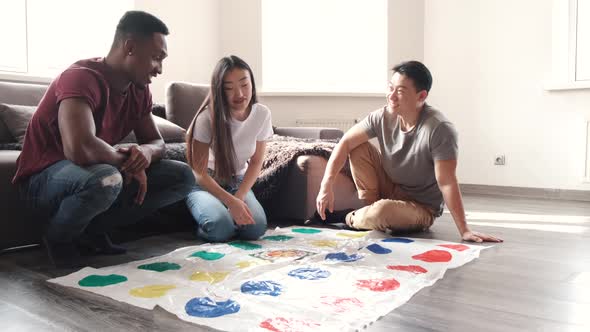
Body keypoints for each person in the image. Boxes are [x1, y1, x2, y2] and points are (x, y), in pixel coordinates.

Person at [13, 11, 196, 267]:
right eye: (156, 58)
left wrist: (143, 154)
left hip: (92, 171)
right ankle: (59, 239)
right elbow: (79, 148)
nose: (159, 69)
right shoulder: (80, 77)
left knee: (183, 177)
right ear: (130, 47)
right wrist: (128, 162)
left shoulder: (139, 90)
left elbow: (157, 143)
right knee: (107, 177)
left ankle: (92, 230)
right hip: (42, 180)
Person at [315, 61, 502, 243]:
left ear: (421, 96)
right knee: (357, 146)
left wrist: (465, 230)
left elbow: (447, 182)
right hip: (391, 186)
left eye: (400, 91)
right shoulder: (381, 116)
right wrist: (326, 185)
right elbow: (346, 142)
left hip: (421, 207)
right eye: (390, 88)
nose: (391, 96)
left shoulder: (439, 129)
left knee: (383, 211)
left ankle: (350, 217)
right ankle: (368, 212)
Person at [185, 55, 272, 242]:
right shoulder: (206, 119)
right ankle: (212, 220)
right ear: (219, 91)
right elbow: (199, 173)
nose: (239, 94)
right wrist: (230, 202)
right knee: (220, 229)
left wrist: (238, 198)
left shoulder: (262, 114)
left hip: (237, 182)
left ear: (252, 84)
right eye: (229, 89)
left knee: (255, 229)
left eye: (244, 85)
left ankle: (220, 215)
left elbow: (256, 161)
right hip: (204, 185)